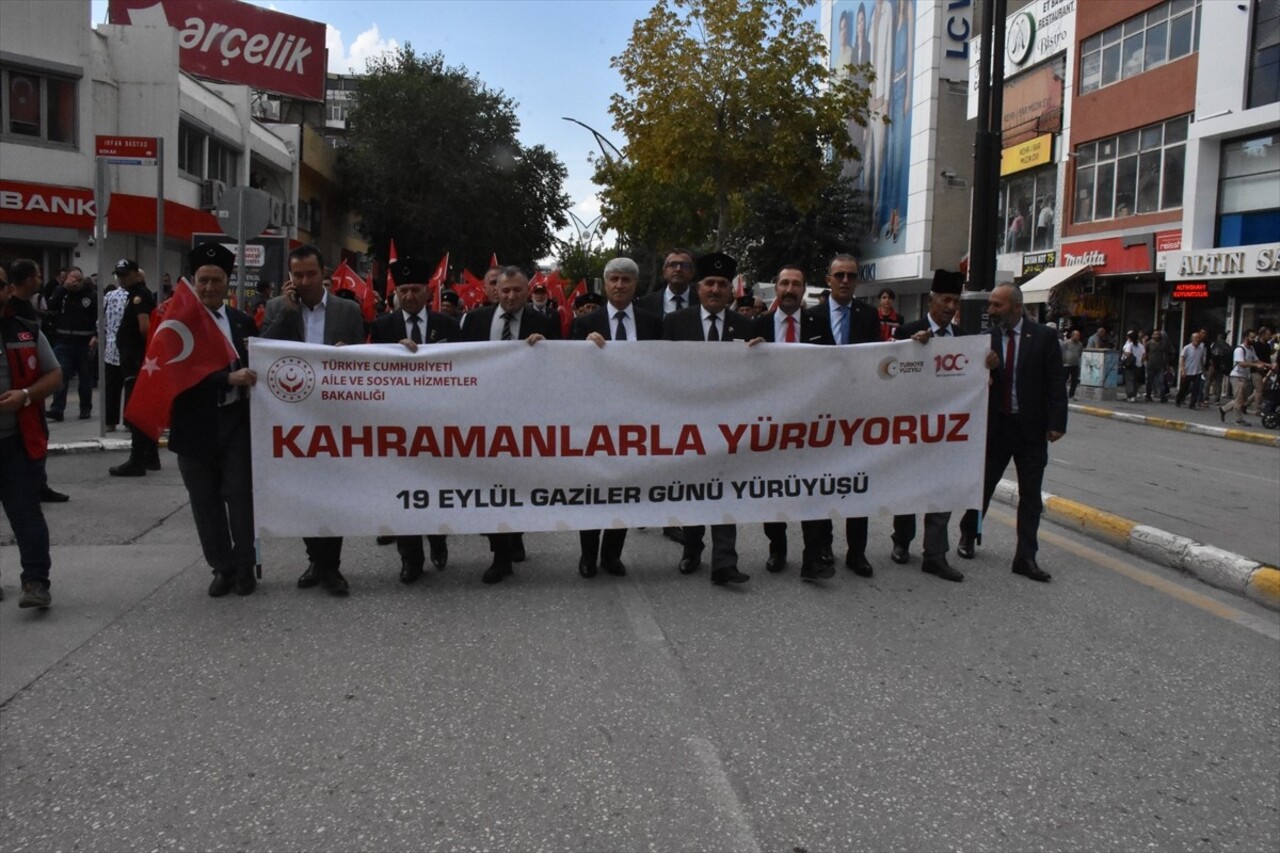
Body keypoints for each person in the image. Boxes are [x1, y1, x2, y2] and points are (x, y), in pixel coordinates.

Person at [260, 244, 366, 595]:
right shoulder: (278, 307)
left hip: (336, 415)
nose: (304, 281)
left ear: (325, 275)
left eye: (310, 274)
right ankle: (315, 560)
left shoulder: (348, 310)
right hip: (292, 415)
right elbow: (261, 353)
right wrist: (286, 313)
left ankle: (331, 567)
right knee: (304, 491)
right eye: (297, 275)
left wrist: (345, 355)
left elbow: (364, 359)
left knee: (332, 490)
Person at [958, 283, 1067, 582]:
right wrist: (988, 369)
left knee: (1031, 496)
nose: (991, 311)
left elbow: (1056, 381)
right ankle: (969, 533)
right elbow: (970, 383)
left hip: (1031, 430)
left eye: (997, 305)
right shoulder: (985, 340)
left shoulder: (1044, 337)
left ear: (1016, 307)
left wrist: (1058, 422)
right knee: (983, 487)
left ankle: (1026, 557)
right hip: (998, 427)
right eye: (990, 305)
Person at [460, 266, 560, 584]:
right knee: (490, 483)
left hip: (525, 417)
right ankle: (500, 554)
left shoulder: (544, 324)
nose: (511, 296)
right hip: (483, 415)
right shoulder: (474, 321)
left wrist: (547, 350)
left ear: (527, 292)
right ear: (495, 291)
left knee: (517, 482)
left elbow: (562, 367)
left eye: (518, 290)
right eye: (505, 290)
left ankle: (514, 535)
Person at [170, 243, 259, 598]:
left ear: (228, 283)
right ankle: (221, 568)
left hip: (235, 422)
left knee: (240, 497)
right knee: (204, 501)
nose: (208, 287)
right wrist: (225, 379)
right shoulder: (177, 323)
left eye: (216, 280)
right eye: (202, 280)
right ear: (193, 282)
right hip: (194, 425)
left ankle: (245, 566)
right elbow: (177, 370)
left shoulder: (242, 321)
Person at [662, 251, 757, 587]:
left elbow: (762, 376)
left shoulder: (747, 327)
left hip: (730, 426)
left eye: (721, 284)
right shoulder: (675, 323)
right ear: (698, 288)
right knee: (693, 490)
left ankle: (725, 563)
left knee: (725, 491)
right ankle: (691, 549)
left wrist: (761, 354)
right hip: (688, 423)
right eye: (709, 283)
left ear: (731, 291)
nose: (715, 289)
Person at [570, 257, 662, 579]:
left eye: (626, 279)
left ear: (635, 285)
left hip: (636, 420)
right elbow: (566, 365)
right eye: (614, 279)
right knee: (593, 487)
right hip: (595, 418)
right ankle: (587, 555)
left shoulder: (653, 323)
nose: (620, 285)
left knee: (626, 488)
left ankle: (612, 555)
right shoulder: (585, 323)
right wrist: (582, 348)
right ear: (605, 284)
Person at [370, 258, 462, 583]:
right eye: (403, 290)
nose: (409, 296)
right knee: (404, 491)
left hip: (440, 422)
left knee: (435, 487)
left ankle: (438, 540)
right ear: (396, 293)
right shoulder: (382, 327)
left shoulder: (448, 326)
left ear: (428, 291)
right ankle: (410, 558)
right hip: (398, 425)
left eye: (415, 290)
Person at [802, 254, 881, 579]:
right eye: (840, 275)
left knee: (856, 485)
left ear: (857, 281)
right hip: (819, 417)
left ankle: (857, 553)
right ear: (829, 279)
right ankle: (821, 548)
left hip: (857, 417)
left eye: (851, 275)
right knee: (820, 485)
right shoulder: (811, 317)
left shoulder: (869, 316)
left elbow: (879, 359)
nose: (845, 280)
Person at [752, 263, 831, 581]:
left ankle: (814, 557)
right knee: (773, 491)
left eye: (795, 284)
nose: (789, 289)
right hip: (770, 424)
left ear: (803, 289)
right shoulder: (758, 326)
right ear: (776, 287)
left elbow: (835, 364)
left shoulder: (820, 323)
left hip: (810, 424)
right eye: (784, 283)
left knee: (814, 489)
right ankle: (777, 547)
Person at [889, 270, 966, 582]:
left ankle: (935, 554)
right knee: (909, 487)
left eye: (955, 301)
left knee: (942, 489)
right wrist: (909, 346)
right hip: (913, 427)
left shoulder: (963, 338)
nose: (950, 306)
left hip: (947, 430)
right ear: (932, 300)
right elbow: (890, 372)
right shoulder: (909, 331)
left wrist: (987, 362)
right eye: (945, 300)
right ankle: (901, 541)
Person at [0, 262, 62, 608]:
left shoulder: (26, 329)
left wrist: (25, 396)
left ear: (8, 290)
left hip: (16, 443)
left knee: (26, 516)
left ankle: (36, 582)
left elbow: (54, 375)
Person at [110, 260, 161, 476]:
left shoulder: (139, 295)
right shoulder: (138, 294)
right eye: (119, 275)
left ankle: (137, 460)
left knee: (136, 411)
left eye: (125, 274)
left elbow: (144, 327)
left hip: (137, 361)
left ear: (136, 275)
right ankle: (150, 457)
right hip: (138, 360)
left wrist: (140, 351)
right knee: (143, 409)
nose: (121, 279)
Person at [45, 267, 97, 422]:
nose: (76, 283)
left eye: (79, 280)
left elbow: (98, 317)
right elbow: (51, 306)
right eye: (72, 280)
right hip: (63, 340)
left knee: (85, 377)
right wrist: (63, 289)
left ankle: (85, 408)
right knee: (61, 376)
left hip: (84, 341)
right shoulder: (61, 293)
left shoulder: (91, 296)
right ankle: (57, 409)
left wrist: (96, 335)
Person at [1219, 329, 1265, 426]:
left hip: (1244, 377)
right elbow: (1242, 364)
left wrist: (1269, 365)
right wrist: (1256, 366)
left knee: (1243, 399)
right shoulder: (1240, 349)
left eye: (1254, 337)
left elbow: (1257, 360)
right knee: (1239, 399)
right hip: (1237, 376)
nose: (1254, 339)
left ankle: (1224, 409)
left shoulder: (1251, 349)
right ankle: (1238, 419)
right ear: (1246, 338)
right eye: (1252, 337)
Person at [101, 279, 129, 432]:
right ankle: (129, 422)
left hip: (111, 347)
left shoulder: (109, 296)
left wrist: (105, 336)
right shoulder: (135, 296)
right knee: (130, 385)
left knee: (112, 387)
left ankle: (110, 422)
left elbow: (101, 321)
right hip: (129, 348)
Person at [637, 249, 700, 316]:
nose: (678, 269)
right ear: (664, 272)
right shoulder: (645, 304)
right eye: (673, 265)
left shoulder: (701, 301)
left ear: (692, 273)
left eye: (684, 265)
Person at [1175, 331, 1206, 409]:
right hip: (1188, 371)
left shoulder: (1201, 348)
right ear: (1192, 339)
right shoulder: (1187, 348)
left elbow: (1201, 359)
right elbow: (1182, 359)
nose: (1197, 339)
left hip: (1197, 371)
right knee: (1184, 388)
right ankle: (1178, 400)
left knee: (1196, 389)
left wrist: (1203, 370)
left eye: (1199, 338)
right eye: (1196, 338)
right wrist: (1183, 370)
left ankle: (1192, 404)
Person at [1145, 330, 1171, 402]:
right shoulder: (1149, 343)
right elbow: (1145, 353)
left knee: (1161, 381)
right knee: (1149, 381)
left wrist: (1167, 365)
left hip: (1160, 366)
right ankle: (1148, 396)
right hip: (1151, 365)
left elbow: (1167, 354)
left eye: (1158, 334)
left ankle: (1162, 397)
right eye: (1155, 334)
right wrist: (1146, 361)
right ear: (1152, 335)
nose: (1157, 336)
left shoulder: (1164, 344)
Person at [1121, 330, 1145, 402]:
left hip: (1130, 365)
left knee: (1129, 380)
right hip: (1138, 365)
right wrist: (1140, 362)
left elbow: (1127, 354)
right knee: (1135, 380)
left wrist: (1124, 354)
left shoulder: (1129, 345)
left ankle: (1130, 395)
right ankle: (1134, 395)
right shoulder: (1141, 345)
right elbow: (1144, 355)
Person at [1060, 329, 1083, 399]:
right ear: (1072, 336)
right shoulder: (1066, 343)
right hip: (1066, 364)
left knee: (1074, 380)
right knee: (1063, 380)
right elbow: (1062, 352)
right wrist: (1063, 361)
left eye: (1079, 335)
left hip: (1075, 364)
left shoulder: (1080, 344)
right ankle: (1061, 394)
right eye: (1077, 335)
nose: (1078, 337)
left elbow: (1080, 353)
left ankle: (1071, 394)